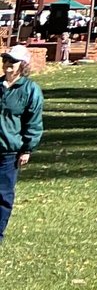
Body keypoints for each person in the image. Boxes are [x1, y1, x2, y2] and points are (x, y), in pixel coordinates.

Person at [0, 46, 44, 242]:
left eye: (13, 61)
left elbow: (33, 122)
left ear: (22, 65)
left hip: (9, 153)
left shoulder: (30, 90)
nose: (8, 64)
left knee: (3, 195)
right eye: (6, 60)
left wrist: (27, 149)